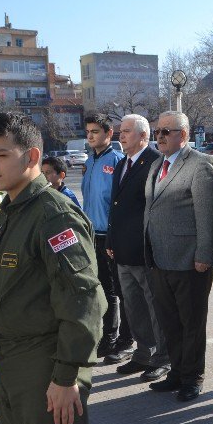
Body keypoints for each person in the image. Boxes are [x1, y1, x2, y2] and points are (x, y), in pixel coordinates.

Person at [0, 113, 104, 424]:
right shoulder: (10, 211)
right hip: (11, 359)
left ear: (31, 156)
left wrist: (66, 375)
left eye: (0, 155)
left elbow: (84, 299)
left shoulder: (53, 215)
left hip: (46, 362)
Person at [144, 111, 213, 402]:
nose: (159, 136)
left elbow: (207, 215)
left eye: (166, 131)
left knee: (191, 323)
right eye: (157, 131)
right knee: (169, 322)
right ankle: (176, 371)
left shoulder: (200, 164)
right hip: (159, 259)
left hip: (189, 261)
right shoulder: (157, 164)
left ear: (184, 135)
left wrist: (204, 254)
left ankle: (192, 377)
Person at [105, 114, 170, 382]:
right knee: (133, 306)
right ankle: (143, 353)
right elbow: (116, 207)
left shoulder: (155, 162)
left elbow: (157, 209)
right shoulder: (122, 165)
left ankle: (163, 358)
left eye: (127, 131)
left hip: (145, 250)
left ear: (144, 136)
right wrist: (111, 240)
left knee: (155, 307)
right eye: (121, 131)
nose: (121, 135)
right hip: (122, 250)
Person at [81, 113, 131, 362]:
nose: (90, 136)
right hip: (92, 235)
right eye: (88, 131)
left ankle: (120, 339)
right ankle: (107, 335)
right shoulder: (90, 161)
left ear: (109, 134)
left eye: (95, 132)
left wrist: (114, 234)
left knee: (118, 290)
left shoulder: (118, 160)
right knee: (101, 287)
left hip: (111, 236)